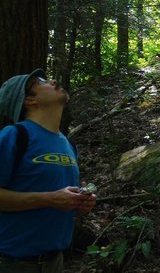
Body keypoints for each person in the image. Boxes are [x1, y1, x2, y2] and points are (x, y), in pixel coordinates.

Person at [0, 69, 96, 272]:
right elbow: (51, 197)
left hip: (55, 262)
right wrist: (49, 198)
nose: (52, 80)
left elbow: (60, 198)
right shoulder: (14, 136)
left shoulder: (67, 144)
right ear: (30, 101)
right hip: (13, 263)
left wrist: (80, 202)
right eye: (40, 82)